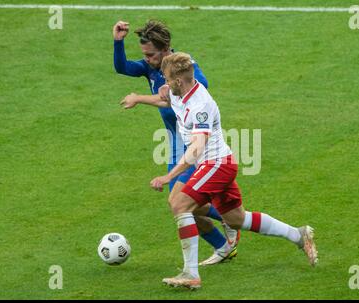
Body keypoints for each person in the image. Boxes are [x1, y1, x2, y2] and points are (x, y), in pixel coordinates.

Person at [122, 52, 318, 289]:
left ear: (178, 81)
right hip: (215, 164)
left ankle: (190, 274)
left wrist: (168, 176)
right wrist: (139, 98)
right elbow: (167, 102)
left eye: (166, 79)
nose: (164, 84)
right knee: (237, 219)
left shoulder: (200, 105)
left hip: (215, 165)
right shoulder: (181, 92)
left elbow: (196, 149)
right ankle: (298, 235)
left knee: (179, 204)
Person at [113, 20, 240, 265]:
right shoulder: (150, 67)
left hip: (195, 143)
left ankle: (227, 224)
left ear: (166, 49)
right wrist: (118, 41)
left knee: (181, 203)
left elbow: (202, 86)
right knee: (183, 205)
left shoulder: (183, 68)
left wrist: (166, 89)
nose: (147, 59)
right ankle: (224, 244)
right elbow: (122, 67)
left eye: (151, 55)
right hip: (174, 142)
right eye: (145, 55)